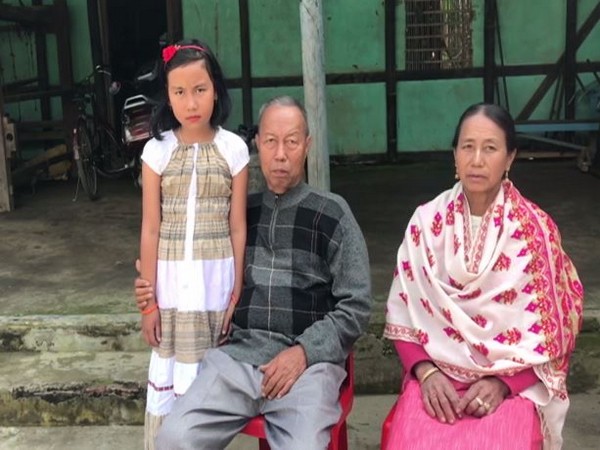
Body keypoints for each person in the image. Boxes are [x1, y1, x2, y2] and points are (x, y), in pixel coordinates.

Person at [135, 95, 372, 449]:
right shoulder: (239, 216)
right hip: (239, 358)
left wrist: (304, 351)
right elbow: (194, 259)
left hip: (306, 365)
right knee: (174, 438)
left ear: (306, 146)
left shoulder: (332, 213)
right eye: (271, 141)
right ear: (257, 144)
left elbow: (356, 305)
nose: (280, 154)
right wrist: (151, 284)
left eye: (292, 142)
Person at [383, 103, 583, 450]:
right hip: (436, 377)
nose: (477, 159)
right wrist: (426, 373)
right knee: (408, 439)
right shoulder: (426, 224)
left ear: (509, 158)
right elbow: (403, 311)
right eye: (467, 146)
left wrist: (504, 384)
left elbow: (556, 332)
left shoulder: (535, 232)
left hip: (509, 385)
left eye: (490, 148)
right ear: (455, 155)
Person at [137, 38, 249, 449]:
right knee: (172, 380)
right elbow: (151, 227)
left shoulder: (233, 149)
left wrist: (236, 289)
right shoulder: (157, 152)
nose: (191, 102)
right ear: (167, 97)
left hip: (214, 287)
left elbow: (237, 226)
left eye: (199, 89)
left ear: (215, 88)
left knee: (206, 385)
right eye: (179, 92)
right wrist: (149, 303)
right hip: (170, 289)